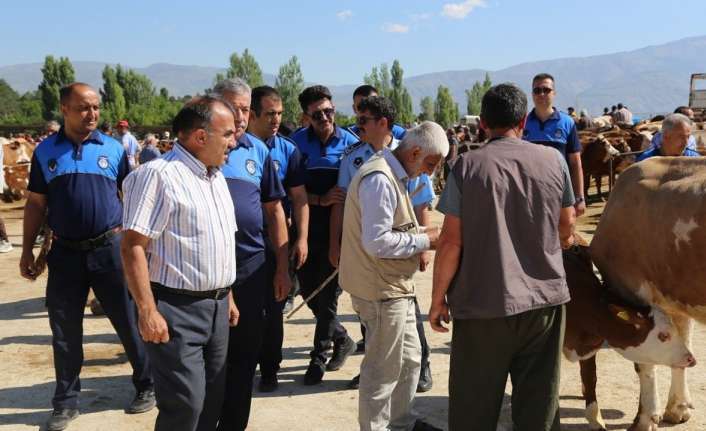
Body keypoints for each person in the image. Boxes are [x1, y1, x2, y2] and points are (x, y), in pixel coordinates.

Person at [431, 83, 576, 431]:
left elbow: (451, 241)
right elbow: (567, 224)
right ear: (523, 121)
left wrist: (438, 300)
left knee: (473, 409)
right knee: (539, 408)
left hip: (483, 307)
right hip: (544, 305)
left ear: (482, 123)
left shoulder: (467, 166)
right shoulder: (553, 160)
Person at [20, 83, 154, 431]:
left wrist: (139, 246)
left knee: (128, 319)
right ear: (65, 109)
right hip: (64, 253)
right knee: (64, 330)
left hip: (110, 249)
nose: (92, 114)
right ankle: (65, 402)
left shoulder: (112, 148)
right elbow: (36, 204)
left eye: (96, 107)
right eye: (83, 108)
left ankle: (146, 384)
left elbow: (133, 196)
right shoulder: (45, 152)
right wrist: (27, 251)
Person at [121, 95, 239, 431]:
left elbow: (218, 243)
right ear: (201, 136)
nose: (234, 141)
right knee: (185, 405)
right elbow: (132, 247)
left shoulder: (215, 178)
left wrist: (226, 294)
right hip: (176, 309)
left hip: (216, 309)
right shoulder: (159, 176)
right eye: (228, 134)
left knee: (212, 401)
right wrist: (146, 310)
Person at [339, 121, 447, 431]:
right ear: (415, 151)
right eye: (429, 164)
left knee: (411, 360)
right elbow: (377, 241)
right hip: (381, 291)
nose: (428, 173)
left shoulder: (392, 172)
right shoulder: (380, 179)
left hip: (394, 288)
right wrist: (427, 240)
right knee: (382, 371)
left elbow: (392, 228)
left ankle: (400, 424)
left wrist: (424, 232)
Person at [333, 96, 436, 392]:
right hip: (373, 265)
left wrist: (422, 245)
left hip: (397, 262)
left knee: (409, 343)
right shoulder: (357, 158)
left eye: (363, 120)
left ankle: (421, 372)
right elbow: (346, 206)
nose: (358, 126)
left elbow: (420, 201)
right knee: (381, 351)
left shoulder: (409, 153)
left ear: (383, 123)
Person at [209, 79, 291, 430]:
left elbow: (274, 212)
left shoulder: (258, 151)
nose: (241, 116)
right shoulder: (203, 151)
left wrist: (282, 268)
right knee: (212, 362)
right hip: (209, 274)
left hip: (251, 269)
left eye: (245, 109)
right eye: (234, 108)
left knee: (244, 359)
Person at [290, 85, 359, 385]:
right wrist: (319, 200)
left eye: (329, 111)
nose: (326, 118)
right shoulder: (294, 145)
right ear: (306, 117)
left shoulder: (352, 144)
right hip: (305, 226)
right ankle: (342, 338)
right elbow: (291, 189)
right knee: (307, 290)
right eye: (317, 114)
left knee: (328, 296)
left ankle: (318, 356)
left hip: (338, 229)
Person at [247, 85, 310, 393]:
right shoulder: (233, 147)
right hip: (240, 243)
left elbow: (299, 199)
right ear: (252, 114)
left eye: (280, 114)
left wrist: (302, 239)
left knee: (274, 308)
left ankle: (270, 368)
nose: (276, 120)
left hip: (275, 242)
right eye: (270, 114)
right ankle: (241, 365)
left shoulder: (287, 150)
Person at [523, 73, 585, 217]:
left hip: (561, 193)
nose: (541, 94)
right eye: (537, 90)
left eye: (546, 90)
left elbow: (575, 163)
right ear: (532, 94)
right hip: (529, 194)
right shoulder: (522, 123)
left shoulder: (567, 122)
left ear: (554, 93)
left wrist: (580, 197)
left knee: (563, 235)